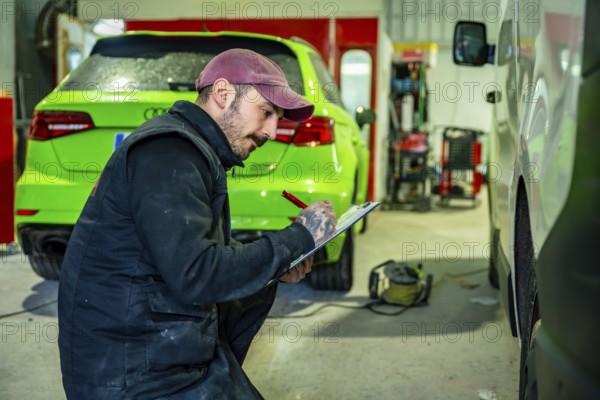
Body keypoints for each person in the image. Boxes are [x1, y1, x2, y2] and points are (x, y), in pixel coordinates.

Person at [58, 48, 337, 399]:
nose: (271, 132)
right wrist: (296, 239)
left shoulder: (191, 149)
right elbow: (196, 273)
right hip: (129, 372)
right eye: (265, 113)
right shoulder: (169, 151)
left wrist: (275, 266)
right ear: (223, 93)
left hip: (152, 350)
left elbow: (194, 254)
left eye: (276, 119)